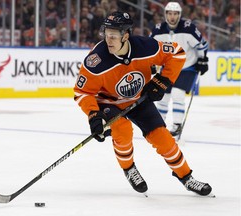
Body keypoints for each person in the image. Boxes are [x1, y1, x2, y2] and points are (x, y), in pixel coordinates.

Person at [73, 11, 212, 196]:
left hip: (138, 99)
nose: (109, 40)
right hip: (109, 102)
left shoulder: (146, 46)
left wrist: (162, 81)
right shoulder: (96, 61)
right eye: (106, 35)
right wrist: (93, 115)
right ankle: (129, 168)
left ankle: (186, 177)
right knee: (122, 130)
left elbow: (177, 53)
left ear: (126, 35)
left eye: (113, 36)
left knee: (164, 139)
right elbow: (82, 92)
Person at [150, 2, 209, 136]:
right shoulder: (158, 30)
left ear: (179, 15)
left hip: (187, 67)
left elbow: (201, 45)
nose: (172, 17)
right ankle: (159, 125)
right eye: (170, 13)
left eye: (175, 14)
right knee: (163, 96)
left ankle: (177, 125)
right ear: (165, 15)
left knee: (177, 94)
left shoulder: (188, 28)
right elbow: (150, 48)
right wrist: (151, 63)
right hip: (168, 68)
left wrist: (203, 60)